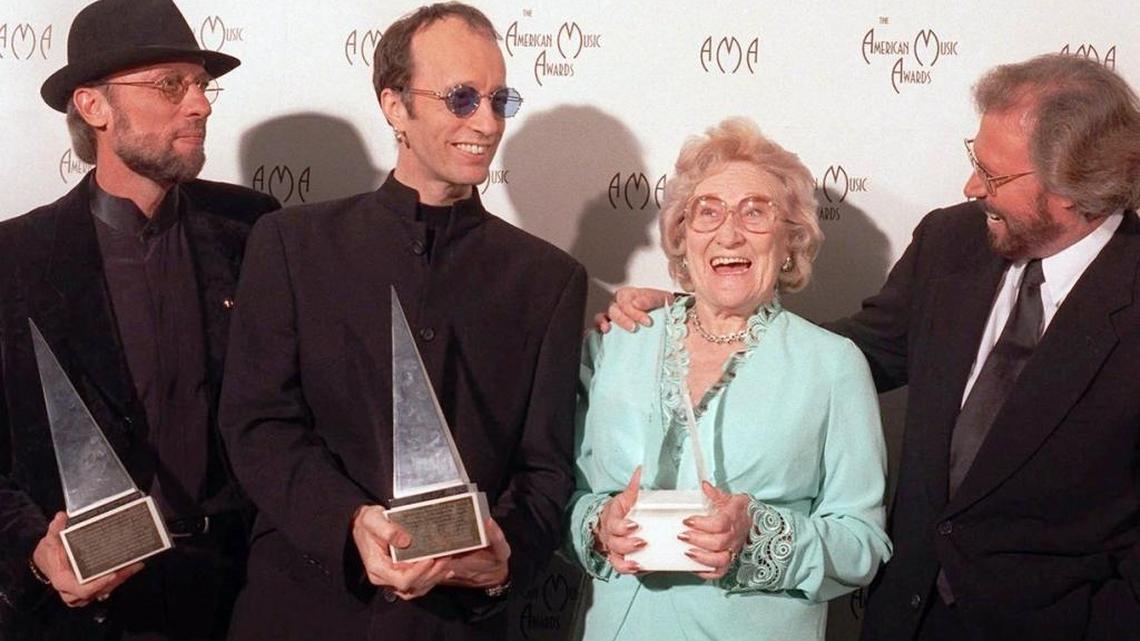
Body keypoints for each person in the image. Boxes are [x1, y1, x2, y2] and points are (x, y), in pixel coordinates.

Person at [603, 54, 1140, 641]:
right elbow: (854, 353)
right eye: (974, 162)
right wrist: (704, 314)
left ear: (1072, 186)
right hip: (907, 619)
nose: (972, 187)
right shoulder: (951, 242)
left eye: (995, 176)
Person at [216, 4, 587, 641]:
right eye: (461, 98)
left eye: (500, 99)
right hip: (302, 612)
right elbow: (257, 425)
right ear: (393, 105)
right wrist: (347, 522)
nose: (486, 122)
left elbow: (545, 472)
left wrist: (503, 560)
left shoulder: (547, 280)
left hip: (451, 627)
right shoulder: (292, 245)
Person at [0, 0, 280, 639]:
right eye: (170, 85)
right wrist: (35, 554)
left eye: (202, 86)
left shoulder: (254, 229)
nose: (200, 105)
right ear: (94, 106)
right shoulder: (13, 261)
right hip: (89, 612)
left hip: (237, 598)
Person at [568, 117, 890, 641]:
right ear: (682, 236)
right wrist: (599, 528)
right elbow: (563, 499)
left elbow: (862, 545)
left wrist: (758, 535)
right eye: (708, 211)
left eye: (755, 213)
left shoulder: (833, 365)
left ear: (790, 242)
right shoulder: (615, 344)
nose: (729, 232)